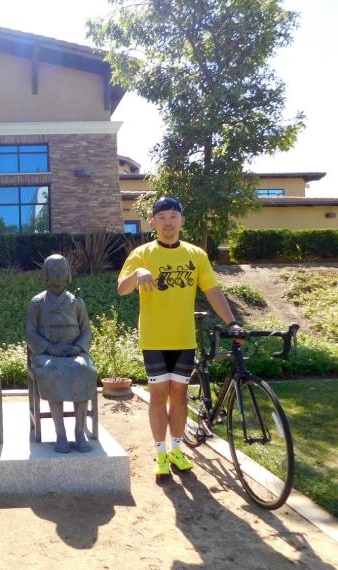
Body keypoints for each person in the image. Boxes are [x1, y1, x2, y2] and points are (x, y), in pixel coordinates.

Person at [117, 196, 243, 477]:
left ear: (181, 220)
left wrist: (233, 322)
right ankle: (160, 452)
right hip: (154, 339)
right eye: (161, 218)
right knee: (159, 395)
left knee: (180, 395)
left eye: (173, 216)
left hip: (184, 338)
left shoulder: (196, 255)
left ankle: (176, 449)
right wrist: (138, 273)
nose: (168, 222)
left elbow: (212, 291)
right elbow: (122, 289)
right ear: (153, 223)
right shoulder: (142, 254)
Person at [26, 254, 98, 453]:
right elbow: (30, 332)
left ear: (68, 274)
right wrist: (48, 347)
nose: (59, 275)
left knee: (83, 369)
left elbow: (86, 330)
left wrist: (78, 347)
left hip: (74, 353)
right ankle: (60, 433)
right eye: (54, 271)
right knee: (51, 371)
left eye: (62, 271)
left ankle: (79, 430)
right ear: (46, 274)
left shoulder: (77, 302)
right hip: (47, 355)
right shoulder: (37, 302)